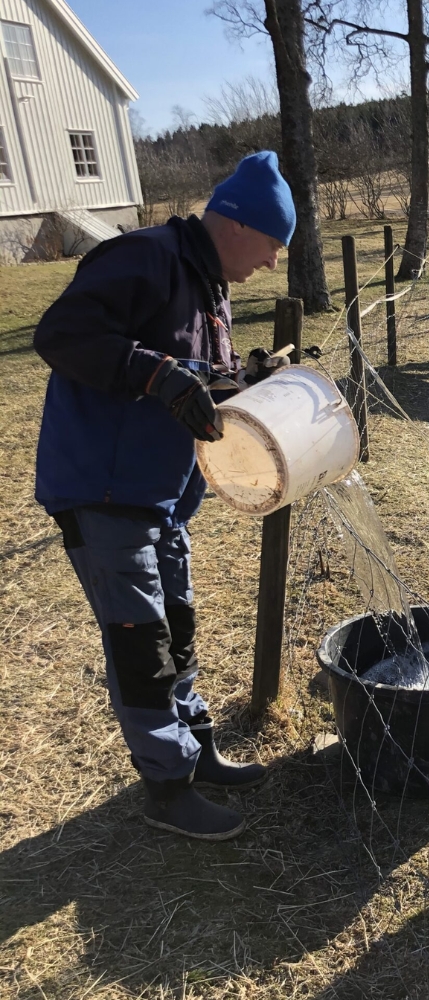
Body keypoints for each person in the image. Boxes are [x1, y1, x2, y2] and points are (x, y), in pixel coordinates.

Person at [33, 151, 298, 842]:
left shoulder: (210, 284)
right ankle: (168, 787)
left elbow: (201, 381)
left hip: (162, 497)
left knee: (176, 628)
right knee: (141, 644)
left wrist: (253, 381)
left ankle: (196, 745)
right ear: (237, 225)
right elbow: (60, 336)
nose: (273, 263)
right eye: (274, 245)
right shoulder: (141, 259)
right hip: (104, 490)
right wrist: (155, 375)